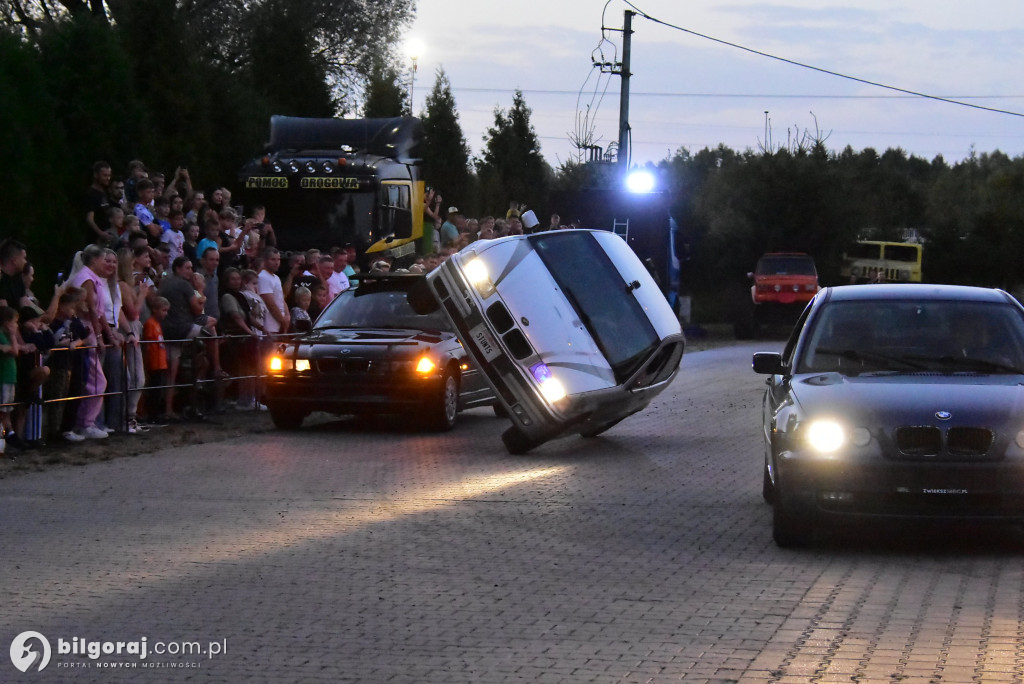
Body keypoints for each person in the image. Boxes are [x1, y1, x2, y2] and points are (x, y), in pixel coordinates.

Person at [142, 296, 170, 424]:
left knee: (158, 390)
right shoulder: (150, 324)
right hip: (154, 362)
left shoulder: (157, 324)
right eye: (163, 310)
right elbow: (148, 344)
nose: (166, 313)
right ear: (154, 310)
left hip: (160, 362)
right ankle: (152, 416)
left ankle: (156, 414)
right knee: (154, 391)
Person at [0, 307, 21, 454]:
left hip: (9, 377)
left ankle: (11, 434)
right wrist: (14, 336)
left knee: (7, 409)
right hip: (3, 377)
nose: (17, 325)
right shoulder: (2, 335)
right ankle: (7, 436)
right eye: (15, 322)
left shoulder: (5, 335)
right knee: (2, 410)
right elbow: (14, 351)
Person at [258, 247, 289, 336]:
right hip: (269, 327)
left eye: (278, 259)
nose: (276, 263)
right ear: (265, 260)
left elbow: (281, 299)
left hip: (280, 325)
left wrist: (287, 316)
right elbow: (270, 303)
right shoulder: (263, 277)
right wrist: (283, 321)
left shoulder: (276, 278)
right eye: (273, 259)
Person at [85, 161, 115, 245]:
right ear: (96, 175)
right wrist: (101, 233)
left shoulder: (105, 191)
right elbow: (89, 219)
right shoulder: (91, 194)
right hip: (96, 240)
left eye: (109, 175)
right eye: (105, 175)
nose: (108, 178)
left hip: (107, 236)